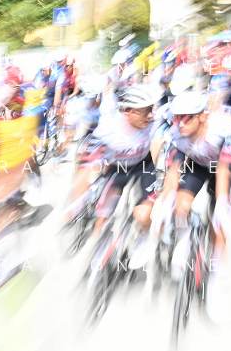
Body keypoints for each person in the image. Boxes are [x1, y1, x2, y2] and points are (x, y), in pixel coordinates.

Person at [158, 89, 231, 314]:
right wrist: (166, 204)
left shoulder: (222, 130)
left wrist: (221, 205)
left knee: (218, 225)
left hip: (221, 168)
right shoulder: (175, 134)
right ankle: (185, 242)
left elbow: (223, 170)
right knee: (180, 204)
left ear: (203, 116)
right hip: (197, 165)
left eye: (187, 118)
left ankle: (216, 280)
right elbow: (172, 173)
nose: (180, 123)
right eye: (176, 117)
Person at [65, 84, 161, 256]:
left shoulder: (153, 123)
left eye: (151, 109)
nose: (151, 115)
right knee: (104, 208)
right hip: (118, 167)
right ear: (129, 111)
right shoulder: (109, 129)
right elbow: (87, 161)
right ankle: (98, 242)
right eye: (146, 111)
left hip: (145, 166)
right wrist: (78, 198)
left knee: (142, 214)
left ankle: (143, 239)